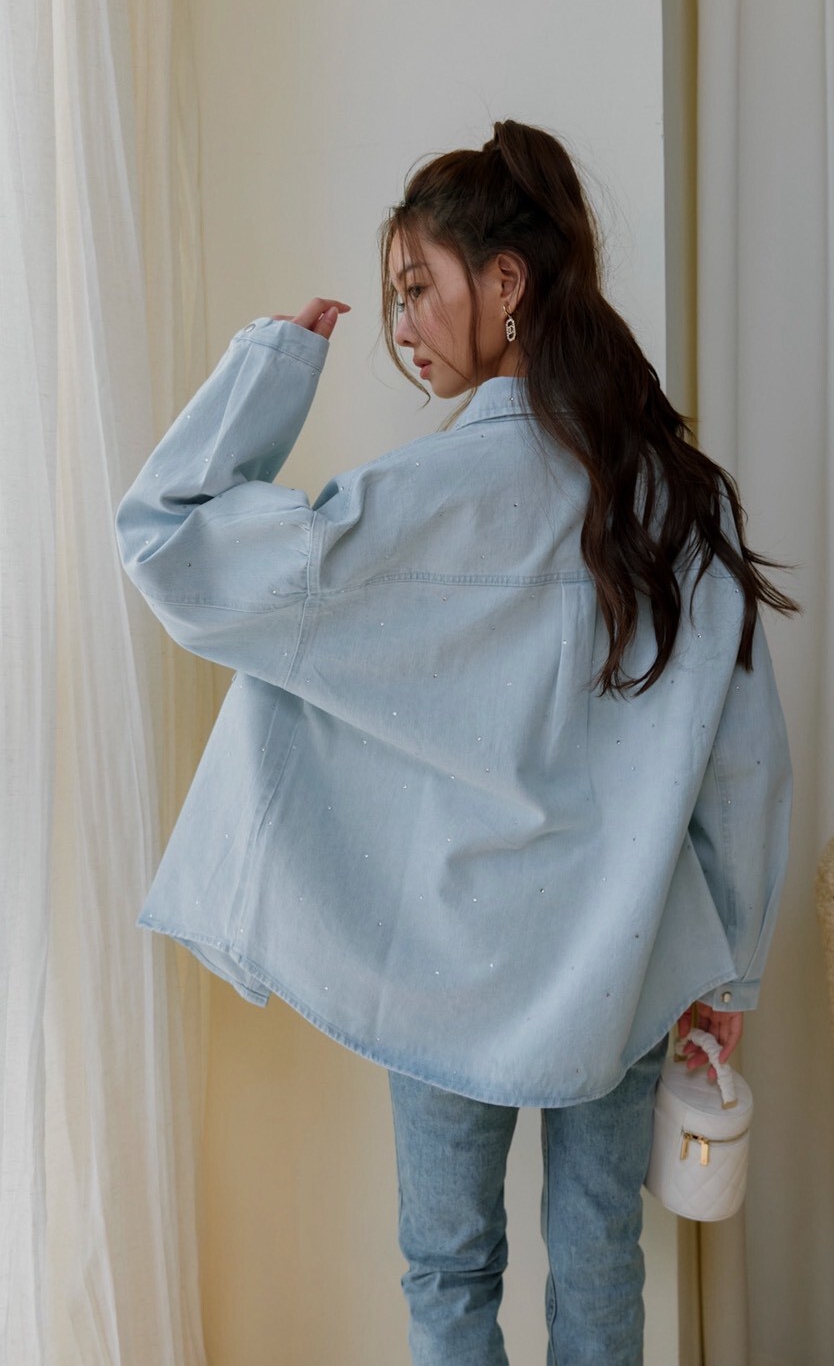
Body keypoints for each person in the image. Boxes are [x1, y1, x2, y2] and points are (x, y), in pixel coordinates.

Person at [115, 119, 796, 1365]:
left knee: (447, 1272)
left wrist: (275, 365)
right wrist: (728, 973)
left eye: (415, 286)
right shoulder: (673, 499)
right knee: (601, 1269)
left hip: (440, 959)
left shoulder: (402, 509)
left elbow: (167, 541)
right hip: (622, 961)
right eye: (393, 299)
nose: (402, 325)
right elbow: (743, 761)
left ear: (506, 282)